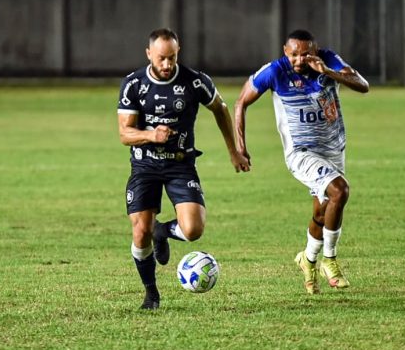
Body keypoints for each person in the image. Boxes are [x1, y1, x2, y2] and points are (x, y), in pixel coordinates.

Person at [117, 28, 249, 310]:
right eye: (162, 58)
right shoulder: (133, 84)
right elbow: (125, 134)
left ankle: (163, 231)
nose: (167, 65)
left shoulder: (195, 81)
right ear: (149, 54)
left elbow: (221, 109)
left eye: (173, 58)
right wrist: (152, 135)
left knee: (193, 230)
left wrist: (233, 151)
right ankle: (151, 294)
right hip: (145, 165)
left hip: (180, 164)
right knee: (140, 232)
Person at [234, 29, 369, 295]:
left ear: (315, 52)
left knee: (322, 210)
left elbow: (363, 85)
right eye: (294, 54)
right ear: (286, 51)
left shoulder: (329, 60)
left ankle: (307, 260)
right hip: (301, 152)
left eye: (305, 54)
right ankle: (329, 260)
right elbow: (240, 103)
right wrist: (240, 147)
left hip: (333, 147)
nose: (299, 59)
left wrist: (328, 72)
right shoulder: (275, 71)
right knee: (339, 190)